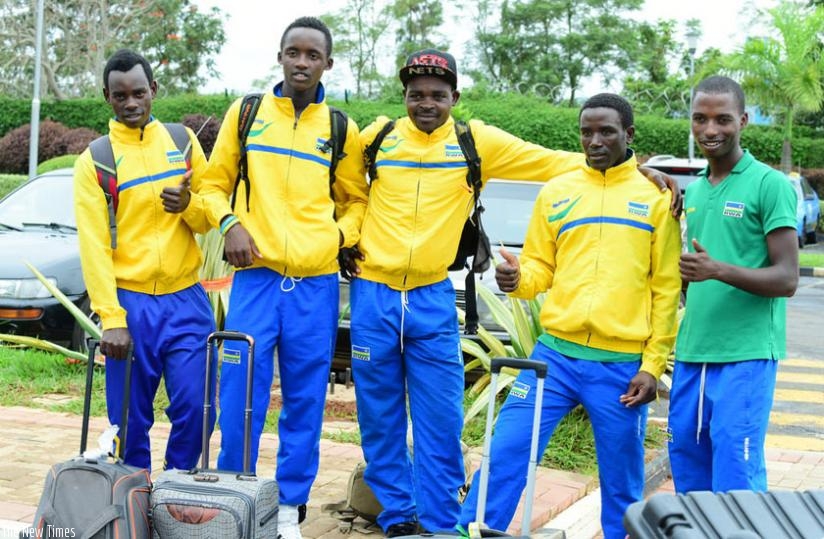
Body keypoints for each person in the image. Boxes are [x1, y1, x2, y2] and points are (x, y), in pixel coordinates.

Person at [341, 50, 680, 537]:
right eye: (416, 94)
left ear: (455, 97)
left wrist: (642, 170)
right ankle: (411, 520)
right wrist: (345, 237)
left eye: (439, 94)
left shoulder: (475, 141)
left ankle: (439, 524)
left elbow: (664, 287)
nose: (427, 103)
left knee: (443, 419)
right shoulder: (375, 138)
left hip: (441, 297)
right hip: (382, 294)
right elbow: (345, 191)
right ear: (404, 96)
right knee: (387, 420)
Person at [455, 93, 681, 539]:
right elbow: (541, 269)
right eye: (586, 132)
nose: (594, 141)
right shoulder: (558, 191)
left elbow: (666, 289)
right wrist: (517, 279)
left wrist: (652, 366)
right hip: (551, 360)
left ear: (629, 135)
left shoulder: (655, 198)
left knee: (622, 481)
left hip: (619, 368)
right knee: (506, 453)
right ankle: (471, 533)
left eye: (606, 132)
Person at [199, 16, 368, 539]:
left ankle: (290, 510)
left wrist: (334, 240)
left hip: (315, 288)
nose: (301, 62)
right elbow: (211, 185)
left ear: (327, 64)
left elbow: (356, 202)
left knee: (305, 398)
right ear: (280, 57)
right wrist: (229, 224)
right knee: (238, 390)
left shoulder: (341, 128)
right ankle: (237, 496)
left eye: (312, 55)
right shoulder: (247, 113)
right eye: (292, 52)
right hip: (256, 282)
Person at [74, 49, 216, 471]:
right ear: (107, 97)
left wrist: (188, 205)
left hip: (186, 300)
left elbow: (210, 214)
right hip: (131, 305)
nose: (131, 103)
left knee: (198, 407)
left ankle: (174, 492)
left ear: (153, 90)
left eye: (139, 93)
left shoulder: (182, 142)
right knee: (129, 422)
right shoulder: (95, 161)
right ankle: (135, 502)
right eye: (120, 96)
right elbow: (94, 246)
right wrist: (112, 319)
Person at [668, 75, 798, 494]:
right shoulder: (696, 190)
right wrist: (655, 175)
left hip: (747, 355)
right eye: (700, 119)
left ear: (742, 120)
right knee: (687, 468)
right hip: (692, 353)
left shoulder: (769, 184)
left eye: (722, 119)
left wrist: (717, 270)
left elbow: (787, 277)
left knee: (736, 476)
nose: (710, 130)